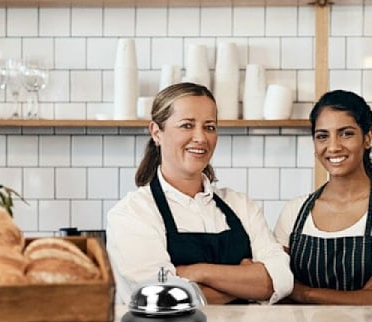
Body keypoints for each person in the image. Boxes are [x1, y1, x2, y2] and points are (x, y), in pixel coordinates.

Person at [106, 82, 293, 306]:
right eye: (187, 125)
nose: (201, 138)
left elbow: (279, 280)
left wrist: (199, 272)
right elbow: (162, 298)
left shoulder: (241, 205)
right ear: (156, 132)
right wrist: (245, 283)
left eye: (210, 127)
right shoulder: (132, 213)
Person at [274, 89, 372, 305]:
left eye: (346, 133)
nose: (333, 146)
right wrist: (361, 297)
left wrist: (305, 293)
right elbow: (275, 283)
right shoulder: (295, 211)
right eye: (322, 136)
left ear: (367, 138)